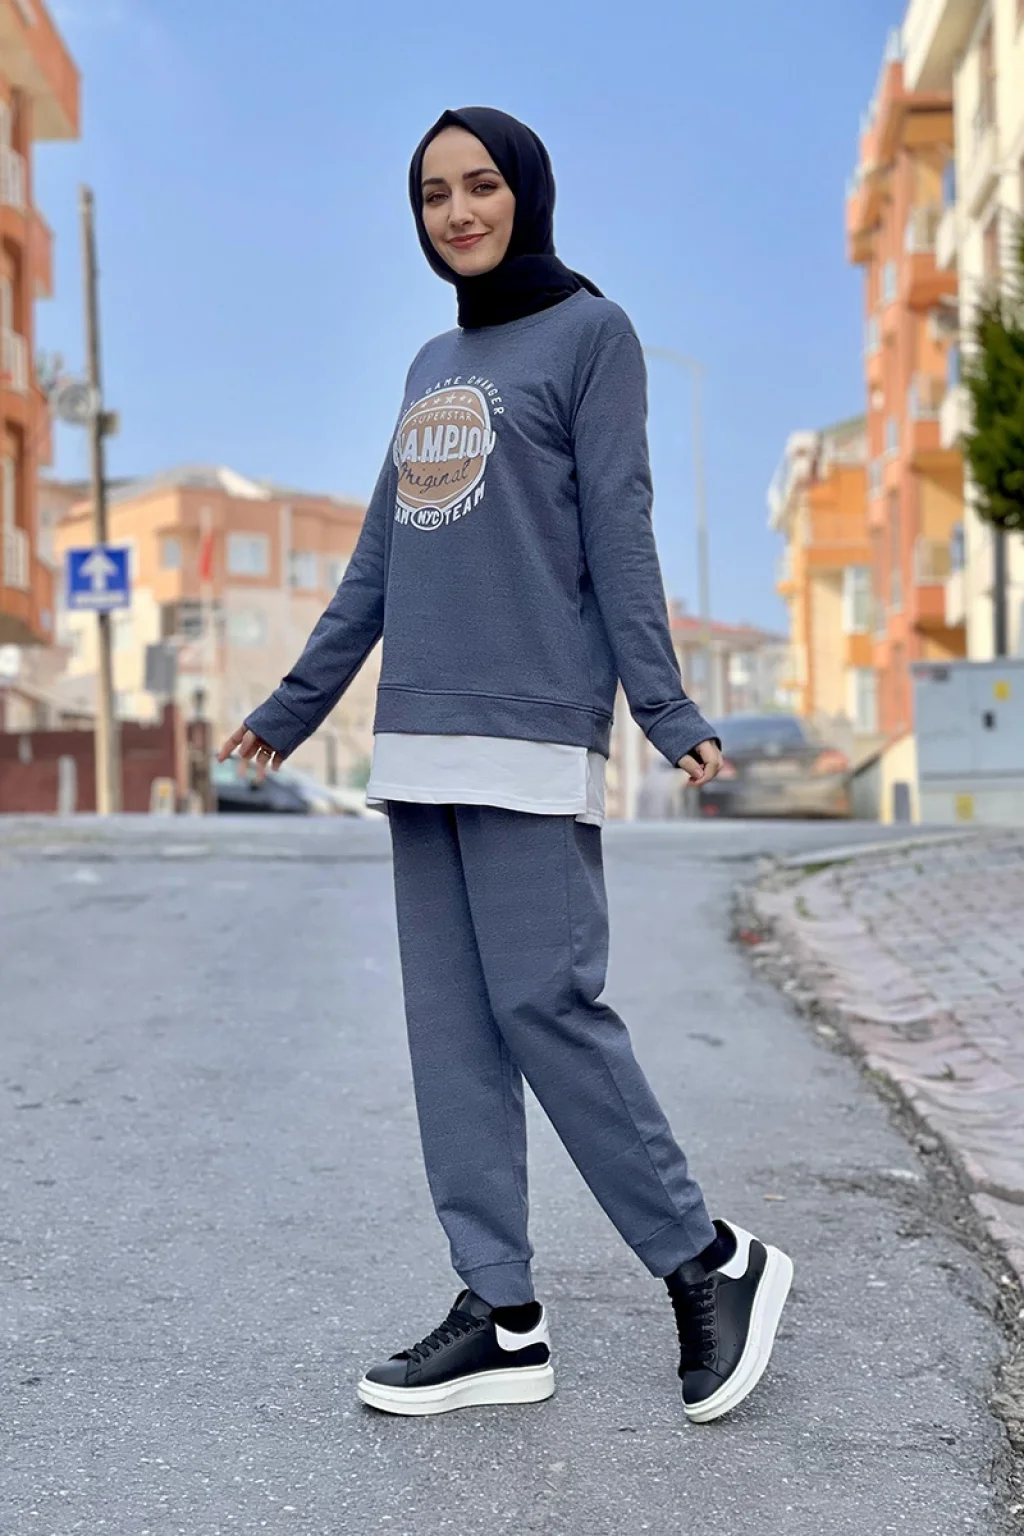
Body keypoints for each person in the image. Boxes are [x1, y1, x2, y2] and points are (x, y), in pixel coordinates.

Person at [219, 105, 793, 1424]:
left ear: (527, 191)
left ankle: (709, 1260)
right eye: (434, 195)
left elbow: (621, 531)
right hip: (418, 731)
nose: (459, 212)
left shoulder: (594, 335)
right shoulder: (431, 361)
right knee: (452, 1035)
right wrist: (295, 706)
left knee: (548, 1007)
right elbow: (380, 557)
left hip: (531, 727)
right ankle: (501, 1315)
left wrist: (664, 704)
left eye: (480, 185)